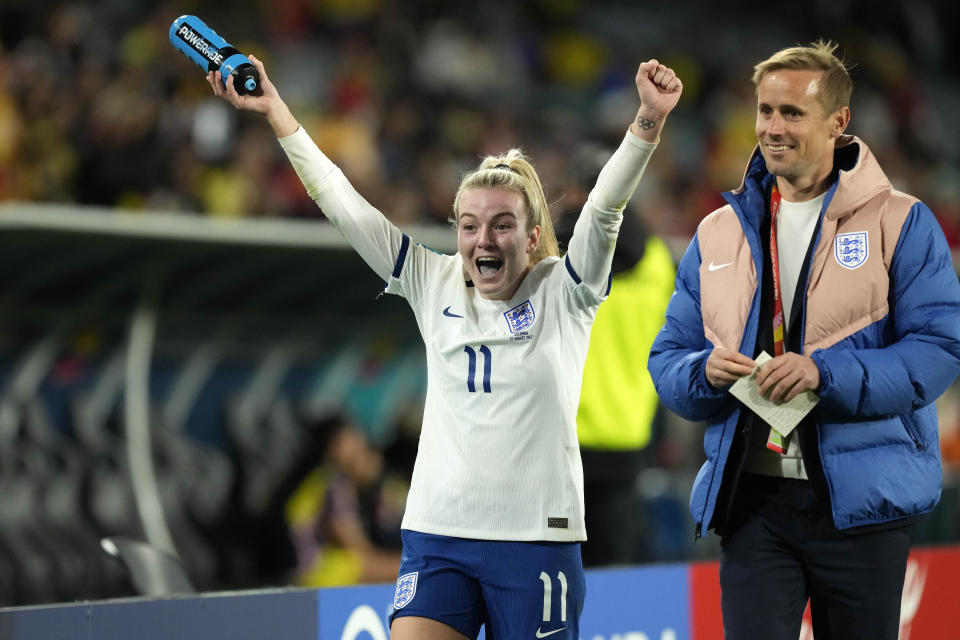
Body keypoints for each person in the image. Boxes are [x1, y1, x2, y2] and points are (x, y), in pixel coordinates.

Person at [206, 54, 681, 639]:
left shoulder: (566, 291)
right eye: (469, 224)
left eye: (502, 224)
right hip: (438, 536)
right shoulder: (431, 282)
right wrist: (275, 110)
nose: (483, 238)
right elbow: (343, 204)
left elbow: (605, 209)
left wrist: (646, 124)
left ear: (533, 236)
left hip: (534, 543)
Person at [648, 40, 960, 640]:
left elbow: (938, 351)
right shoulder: (718, 231)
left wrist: (825, 374)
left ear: (838, 122)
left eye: (792, 113)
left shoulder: (900, 221)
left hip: (862, 507)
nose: (772, 127)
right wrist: (701, 372)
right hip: (753, 502)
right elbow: (667, 359)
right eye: (765, 110)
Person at [555, 150, 676, 567]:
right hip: (627, 438)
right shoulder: (659, 260)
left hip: (565, 435)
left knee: (553, 576)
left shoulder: (567, 254)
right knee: (613, 573)